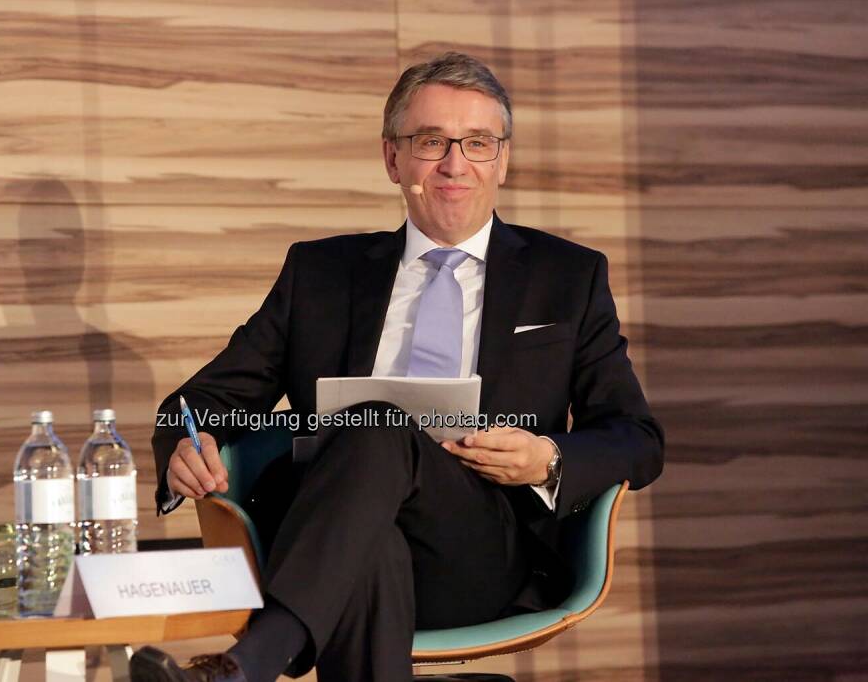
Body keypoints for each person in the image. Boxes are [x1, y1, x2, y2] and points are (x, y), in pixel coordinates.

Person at [131, 52, 664, 682]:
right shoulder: (320, 275)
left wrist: (548, 458)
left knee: (378, 424)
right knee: (370, 531)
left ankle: (255, 659)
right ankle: (234, 673)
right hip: (332, 542)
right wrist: (186, 444)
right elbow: (199, 405)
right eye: (431, 141)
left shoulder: (568, 278)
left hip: (479, 550)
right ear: (392, 159)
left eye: (478, 143)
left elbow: (637, 439)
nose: (455, 163)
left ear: (503, 161)